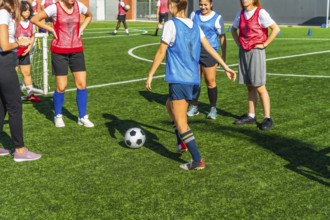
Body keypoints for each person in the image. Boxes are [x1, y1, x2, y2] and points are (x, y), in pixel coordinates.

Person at [145, 0, 236, 170]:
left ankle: (197, 160)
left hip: (180, 79)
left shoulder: (171, 25)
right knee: (168, 105)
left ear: (174, 6)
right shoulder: (195, 25)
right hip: (193, 80)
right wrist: (225, 67)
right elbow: (209, 47)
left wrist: (150, 74)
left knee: (181, 121)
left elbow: (161, 52)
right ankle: (181, 143)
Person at [31, 0, 94, 128]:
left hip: (77, 51)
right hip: (59, 52)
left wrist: (81, 28)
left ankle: (82, 116)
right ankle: (58, 115)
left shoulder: (79, 6)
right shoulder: (54, 8)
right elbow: (35, 19)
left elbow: (89, 16)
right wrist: (51, 29)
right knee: (61, 86)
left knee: (81, 84)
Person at [0, 0, 41, 161]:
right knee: (15, 106)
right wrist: (20, 42)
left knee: (2, 106)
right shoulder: (3, 13)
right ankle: (20, 150)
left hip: (4, 62)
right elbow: (4, 45)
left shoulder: (5, 14)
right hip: (4, 62)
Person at [231, 0, 280, 130]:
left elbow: (275, 29)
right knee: (249, 86)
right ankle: (251, 115)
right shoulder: (240, 13)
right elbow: (233, 29)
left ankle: (267, 118)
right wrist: (239, 44)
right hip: (244, 52)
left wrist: (264, 44)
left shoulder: (260, 13)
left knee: (259, 85)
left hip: (256, 51)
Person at [188, 0, 228, 120]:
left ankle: (213, 108)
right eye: (201, 4)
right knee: (195, 80)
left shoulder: (217, 18)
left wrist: (223, 55)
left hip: (210, 52)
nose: (203, 7)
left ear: (211, 4)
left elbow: (222, 37)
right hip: (195, 51)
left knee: (210, 80)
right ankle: (194, 106)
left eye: (205, 5)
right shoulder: (194, 15)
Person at [16, 0, 41, 102]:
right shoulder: (14, 22)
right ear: (20, 11)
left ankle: (30, 93)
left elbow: (33, 36)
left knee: (26, 72)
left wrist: (29, 47)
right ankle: (11, 94)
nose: (27, 13)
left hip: (25, 52)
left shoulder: (31, 23)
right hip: (14, 52)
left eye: (29, 11)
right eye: (25, 11)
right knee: (13, 73)